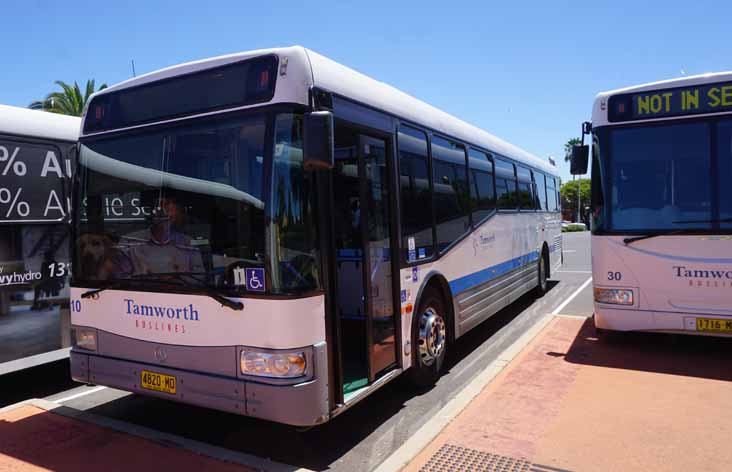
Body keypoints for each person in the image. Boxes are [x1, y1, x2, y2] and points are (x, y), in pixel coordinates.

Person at [127, 195, 204, 276]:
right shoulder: (130, 241)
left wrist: (176, 281)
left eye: (168, 206)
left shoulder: (188, 242)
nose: (163, 212)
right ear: (150, 212)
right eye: (158, 206)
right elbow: (120, 278)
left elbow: (199, 277)